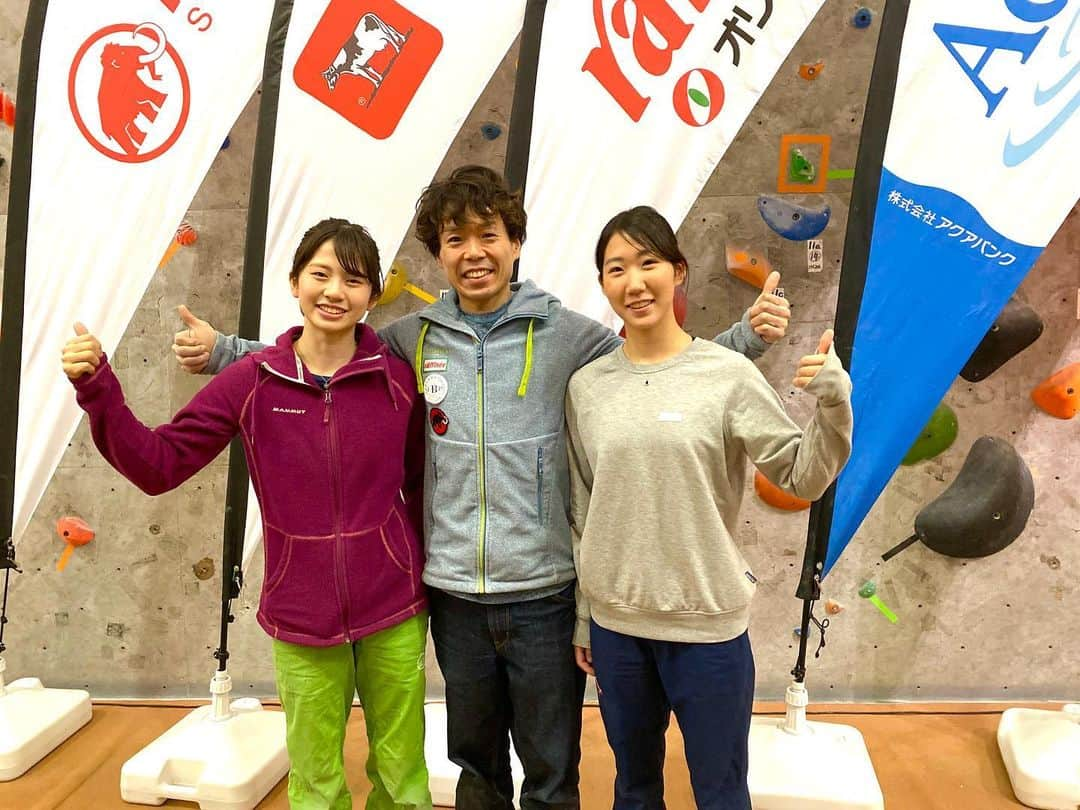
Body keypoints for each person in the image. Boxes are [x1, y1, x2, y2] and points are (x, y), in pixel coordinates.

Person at [171, 166, 792, 809]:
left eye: (488, 234)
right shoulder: (411, 339)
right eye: (455, 239)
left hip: (545, 593)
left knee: (552, 767)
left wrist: (746, 336)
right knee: (476, 762)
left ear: (515, 241)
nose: (474, 253)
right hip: (453, 594)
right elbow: (321, 354)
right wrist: (224, 350)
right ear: (438, 253)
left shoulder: (569, 335)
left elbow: (662, 365)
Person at [62, 219, 432, 810]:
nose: (336, 291)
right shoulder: (252, 382)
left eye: (354, 280)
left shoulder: (396, 379)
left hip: (394, 605)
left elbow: (421, 483)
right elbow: (158, 465)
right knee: (314, 781)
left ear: (370, 295)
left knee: (403, 772)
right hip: (301, 611)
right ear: (294, 282)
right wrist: (99, 389)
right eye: (322, 274)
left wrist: (410, 563)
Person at [564, 205, 853, 809]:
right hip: (619, 630)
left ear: (678, 272)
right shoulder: (587, 387)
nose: (634, 282)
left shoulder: (726, 376)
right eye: (616, 268)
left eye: (648, 264)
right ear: (603, 284)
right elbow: (582, 508)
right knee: (634, 789)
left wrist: (833, 405)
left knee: (721, 793)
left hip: (708, 628)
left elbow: (801, 477)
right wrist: (587, 616)